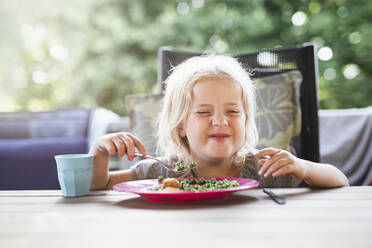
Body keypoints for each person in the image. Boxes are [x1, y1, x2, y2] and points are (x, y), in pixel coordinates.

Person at [89, 55, 349, 190]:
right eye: (203, 112)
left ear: (246, 120)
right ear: (181, 126)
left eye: (234, 111)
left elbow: (340, 181)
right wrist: (99, 153)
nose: (220, 120)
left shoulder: (264, 170)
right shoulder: (163, 172)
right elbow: (98, 185)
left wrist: (302, 167)